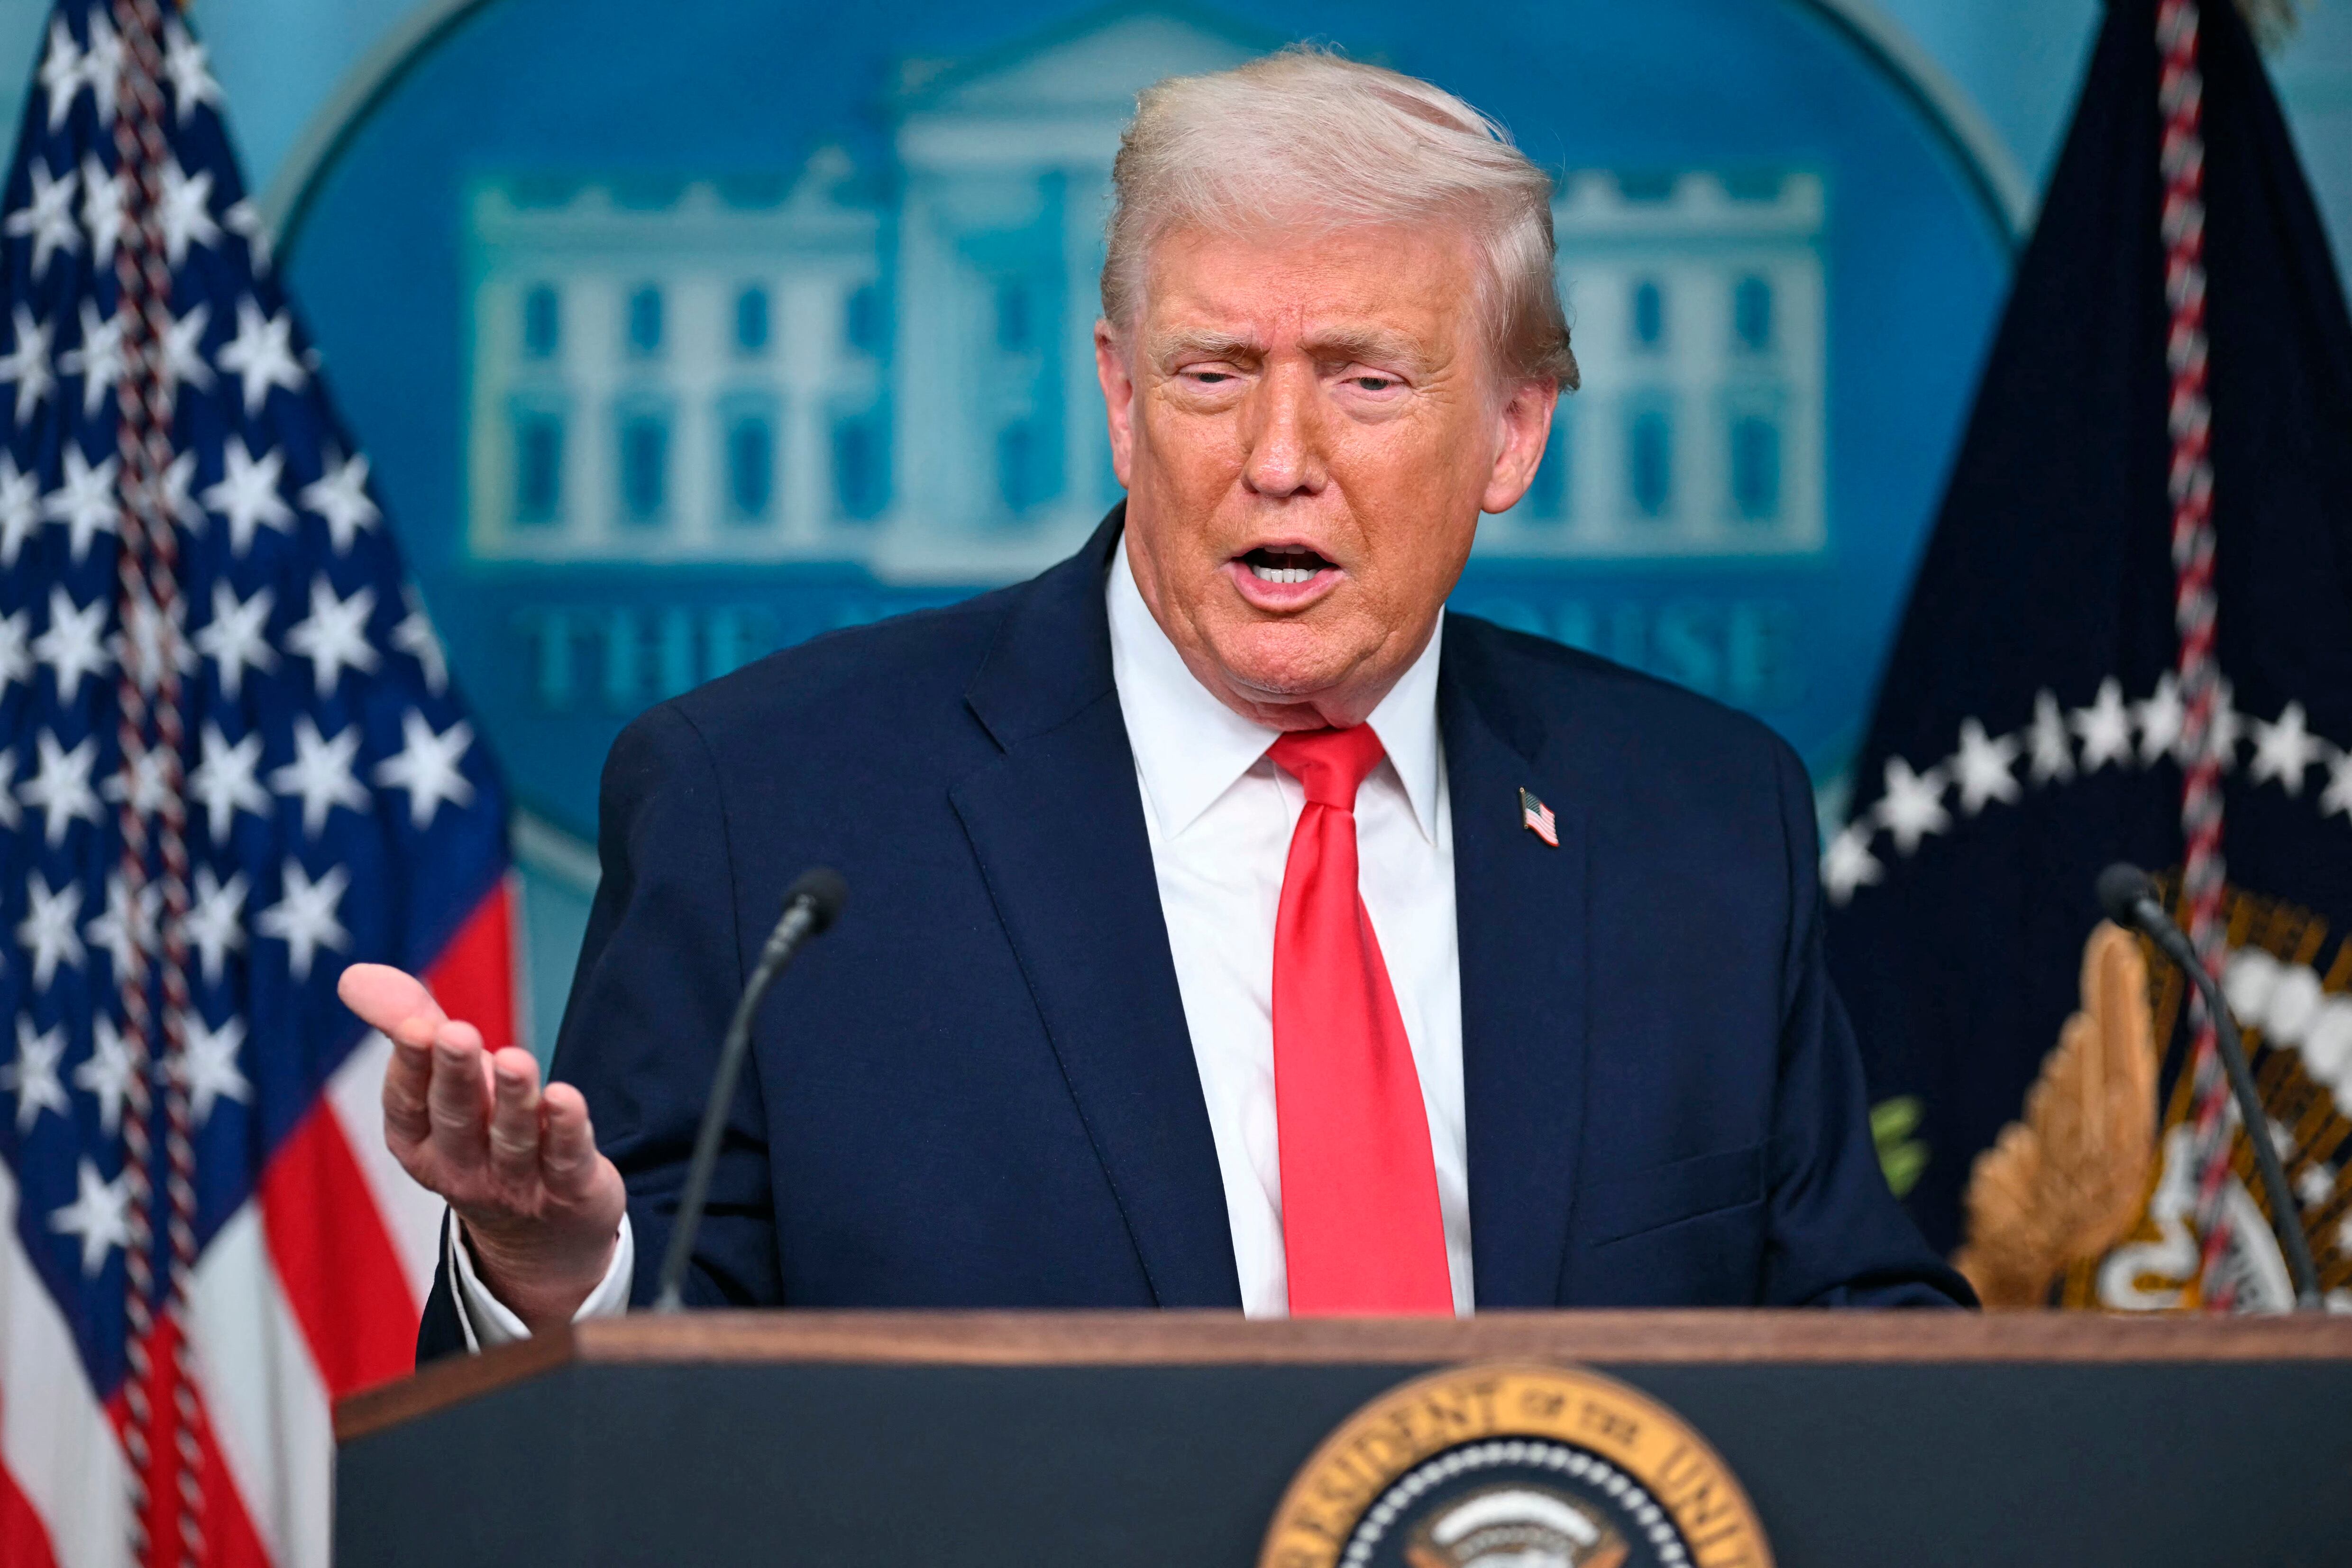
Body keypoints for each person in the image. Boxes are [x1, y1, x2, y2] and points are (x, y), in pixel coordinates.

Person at [340, 47, 1971, 1356]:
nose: (1277, 456)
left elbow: (1856, 1341)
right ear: (1121, 400)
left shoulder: (1695, 814)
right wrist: (553, 1274)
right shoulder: (766, 808)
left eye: (1364, 380)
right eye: (1211, 374)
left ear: (1514, 433)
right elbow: (663, 1439)